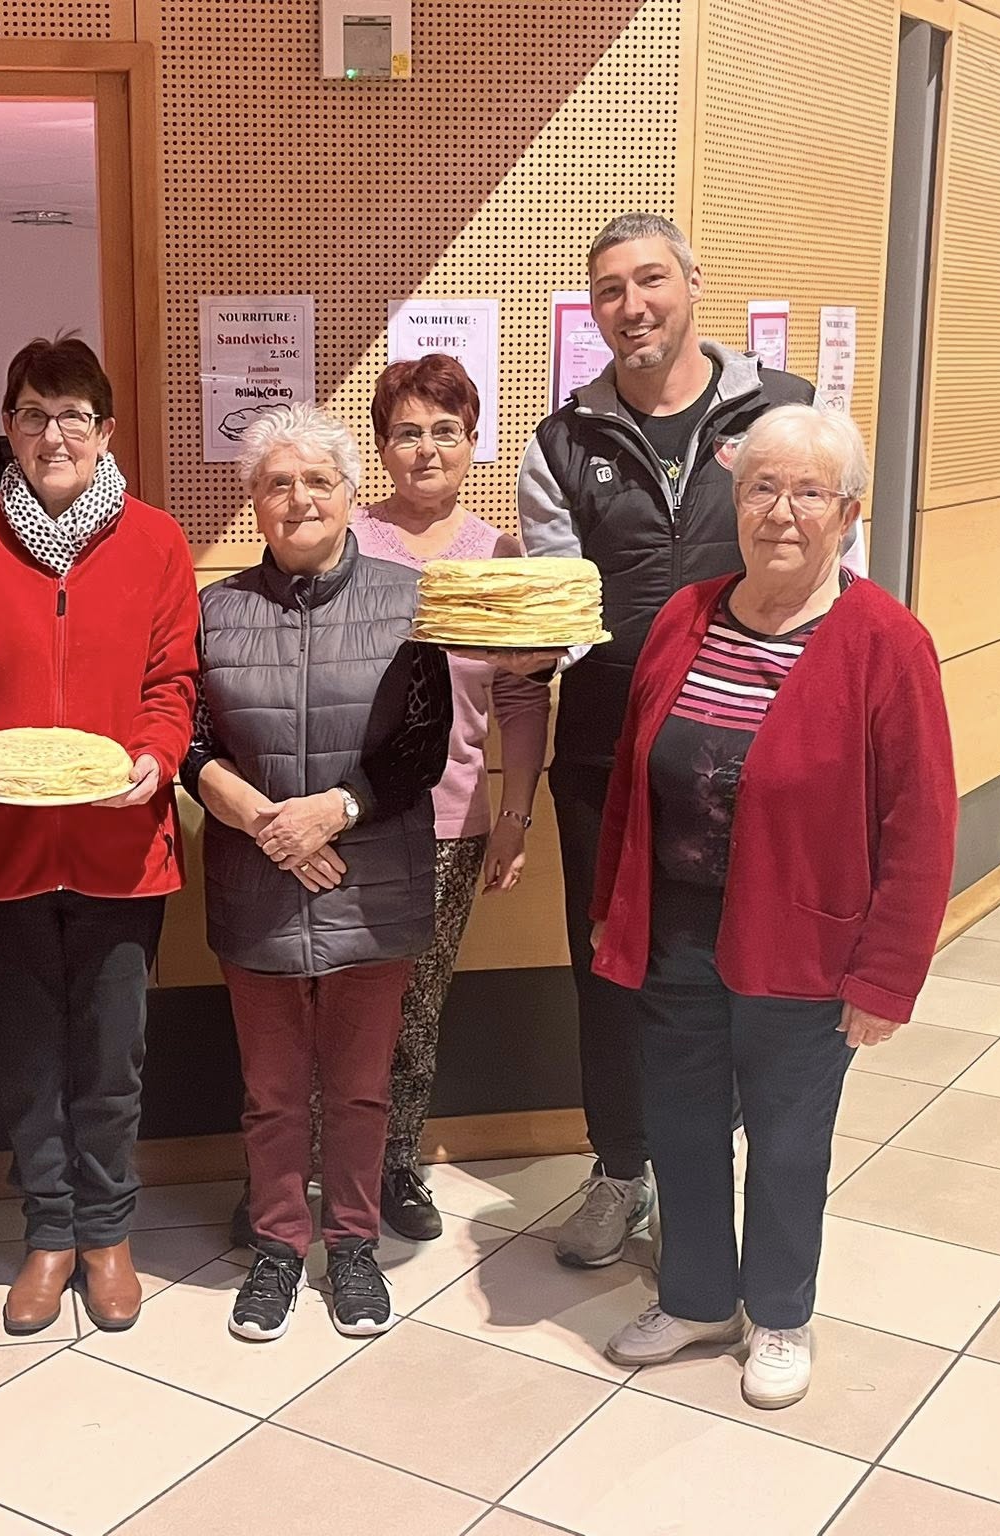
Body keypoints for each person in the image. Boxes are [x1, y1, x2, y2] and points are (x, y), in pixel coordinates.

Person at [592, 404, 954, 1409]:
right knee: (680, 1121)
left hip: (806, 945)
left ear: (846, 513)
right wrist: (613, 911)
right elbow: (632, 777)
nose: (779, 513)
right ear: (732, 499)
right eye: (759, 488)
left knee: (789, 1140)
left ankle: (781, 1313)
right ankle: (700, 1295)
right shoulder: (686, 614)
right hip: (675, 934)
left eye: (805, 493)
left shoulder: (885, 643)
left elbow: (919, 826)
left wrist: (885, 976)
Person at [513, 211, 813, 1270]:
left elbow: (833, 572)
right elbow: (555, 605)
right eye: (607, 291)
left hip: (755, 748)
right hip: (605, 754)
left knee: (746, 966)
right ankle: (617, 1169)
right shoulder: (561, 442)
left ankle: (718, 1171)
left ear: (692, 282)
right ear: (589, 311)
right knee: (610, 966)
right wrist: (507, 644)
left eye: (648, 281)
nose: (630, 306)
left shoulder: (784, 412)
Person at [0, 335, 199, 1337]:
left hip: (123, 846)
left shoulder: (158, 543)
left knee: (110, 1051)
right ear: (9, 428)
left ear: (106, 430)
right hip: (0, 848)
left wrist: (154, 760)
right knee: (26, 1051)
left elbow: (171, 687)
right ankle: (49, 1231)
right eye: (32, 413)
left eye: (74, 414)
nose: (53, 433)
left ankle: (108, 1232)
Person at [185, 403, 452, 1342]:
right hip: (257, 877)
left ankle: (351, 1248)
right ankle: (273, 1246)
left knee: (359, 1087)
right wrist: (267, 823)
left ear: (349, 496)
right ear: (252, 500)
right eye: (275, 482)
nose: (296, 498)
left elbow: (425, 747)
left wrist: (330, 812)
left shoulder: (411, 597)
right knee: (269, 1089)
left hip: (368, 879)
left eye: (317, 481)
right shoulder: (214, 610)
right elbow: (192, 743)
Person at [351, 355, 550, 1240]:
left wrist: (514, 815)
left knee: (417, 1001)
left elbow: (517, 694)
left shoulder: (502, 555)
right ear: (381, 446)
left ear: (474, 444)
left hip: (451, 819)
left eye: (445, 431)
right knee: (336, 993)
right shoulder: (346, 539)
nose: (425, 449)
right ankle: (320, 1164)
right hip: (349, 816)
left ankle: (396, 1162)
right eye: (405, 431)